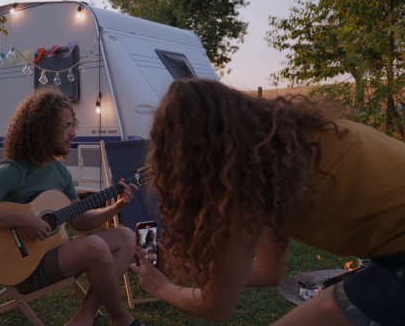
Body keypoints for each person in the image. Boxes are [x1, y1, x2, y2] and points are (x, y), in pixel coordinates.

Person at [130, 78, 405, 325]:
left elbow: (215, 307)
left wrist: (160, 287)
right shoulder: (282, 155)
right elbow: (268, 272)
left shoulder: (243, 186)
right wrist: (190, 273)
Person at [0, 87, 144, 326]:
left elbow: (80, 222)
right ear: (43, 130)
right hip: (24, 266)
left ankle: (84, 316)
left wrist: (116, 208)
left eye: (72, 124)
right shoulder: (14, 170)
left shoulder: (60, 172)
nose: (73, 132)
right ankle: (122, 319)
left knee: (126, 236)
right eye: (66, 126)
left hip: (56, 254)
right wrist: (23, 220)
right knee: (95, 246)